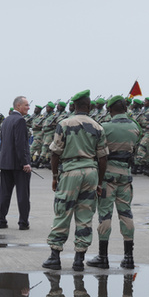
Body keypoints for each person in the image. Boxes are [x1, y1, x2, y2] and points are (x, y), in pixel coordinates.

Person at [42, 90, 107, 271]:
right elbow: (103, 158)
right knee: (85, 215)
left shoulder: (64, 124)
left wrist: (55, 177)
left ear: (75, 106)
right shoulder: (98, 126)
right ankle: (79, 259)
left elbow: (55, 153)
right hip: (91, 172)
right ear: (89, 106)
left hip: (70, 172)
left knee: (63, 211)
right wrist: (99, 183)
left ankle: (55, 256)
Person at [89, 95, 141, 269]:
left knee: (105, 214)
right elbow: (135, 149)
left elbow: (97, 151)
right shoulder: (135, 127)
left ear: (110, 109)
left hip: (108, 175)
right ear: (125, 108)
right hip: (125, 175)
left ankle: (103, 257)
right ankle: (129, 257)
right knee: (126, 213)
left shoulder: (105, 127)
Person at [0, 95, 32, 230]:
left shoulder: (7, 120)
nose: (28, 108)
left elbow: (3, 142)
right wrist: (25, 163)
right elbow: (20, 144)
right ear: (18, 106)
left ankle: (0, 221)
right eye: (26, 105)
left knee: (4, 194)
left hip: (6, 163)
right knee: (23, 195)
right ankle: (23, 222)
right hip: (18, 165)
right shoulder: (20, 121)